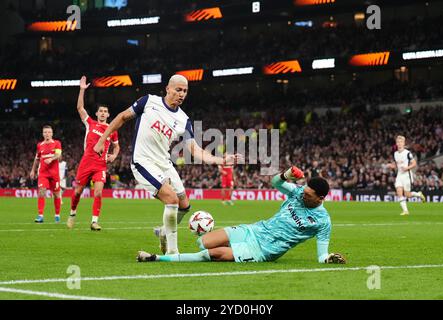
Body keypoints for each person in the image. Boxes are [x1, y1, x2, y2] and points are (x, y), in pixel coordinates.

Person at [93, 74, 241, 255]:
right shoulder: (148, 101)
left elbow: (195, 150)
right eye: (178, 90)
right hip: (143, 161)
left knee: (185, 205)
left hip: (164, 163)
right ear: (168, 89)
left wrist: (221, 160)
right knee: (171, 199)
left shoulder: (184, 119)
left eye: (185, 91)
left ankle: (164, 231)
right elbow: (122, 117)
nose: (182, 94)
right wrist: (102, 140)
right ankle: (172, 251)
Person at [136, 166, 346, 264]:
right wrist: (286, 175)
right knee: (203, 242)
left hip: (263, 249)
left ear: (320, 198)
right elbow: (276, 183)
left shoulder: (322, 221)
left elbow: (321, 255)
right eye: (304, 191)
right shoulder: (299, 192)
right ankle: (234, 251)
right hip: (254, 229)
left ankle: (157, 258)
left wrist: (328, 258)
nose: (303, 195)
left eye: (309, 195)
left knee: (212, 255)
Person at [66, 76, 120, 231]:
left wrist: (114, 155)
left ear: (109, 115)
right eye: (101, 111)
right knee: (77, 192)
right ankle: (72, 213)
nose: (103, 113)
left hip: (100, 165)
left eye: (105, 112)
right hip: (86, 162)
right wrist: (82, 90)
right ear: (97, 113)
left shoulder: (112, 130)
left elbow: (116, 147)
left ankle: (94, 221)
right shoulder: (90, 123)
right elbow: (80, 109)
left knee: (98, 192)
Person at [29, 125, 62, 223]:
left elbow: (58, 155)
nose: (47, 134)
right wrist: (33, 170)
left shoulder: (57, 143)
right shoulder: (40, 145)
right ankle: (40, 216)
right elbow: (37, 158)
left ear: (52, 133)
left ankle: (57, 215)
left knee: (56, 195)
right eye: (45, 132)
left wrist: (51, 159)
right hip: (43, 173)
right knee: (41, 191)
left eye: (49, 132)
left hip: (54, 174)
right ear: (43, 134)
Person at [386, 135, 426, 216]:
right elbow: (396, 165)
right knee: (399, 192)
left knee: (407, 195)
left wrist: (407, 168)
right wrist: (391, 165)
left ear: (404, 143)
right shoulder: (395, 154)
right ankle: (405, 211)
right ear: (396, 143)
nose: (399, 143)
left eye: (401, 142)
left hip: (407, 175)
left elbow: (414, 163)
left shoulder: (407, 153)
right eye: (398, 142)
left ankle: (418, 194)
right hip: (399, 175)